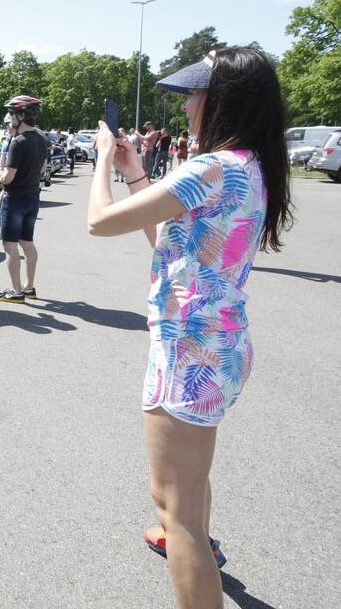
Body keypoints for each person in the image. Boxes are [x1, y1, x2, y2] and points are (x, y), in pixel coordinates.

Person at [87, 47, 292, 609]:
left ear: (223, 100)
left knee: (175, 513)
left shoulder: (210, 168)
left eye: (196, 94)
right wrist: (137, 174)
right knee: (189, 491)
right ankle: (195, 541)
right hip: (220, 345)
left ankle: (193, 554)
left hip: (188, 350)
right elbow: (174, 246)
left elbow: (97, 222)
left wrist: (103, 158)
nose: (187, 108)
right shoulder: (250, 166)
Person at [0, 95, 46, 303]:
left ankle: (16, 291)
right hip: (33, 196)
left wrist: (0, 172)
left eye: (12, 114)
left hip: (15, 198)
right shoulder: (41, 139)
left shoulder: (18, 142)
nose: (10, 118)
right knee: (27, 242)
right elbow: (42, 168)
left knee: (10, 245)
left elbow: (7, 177)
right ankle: (29, 286)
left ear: (21, 116)